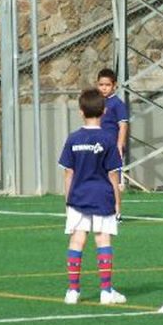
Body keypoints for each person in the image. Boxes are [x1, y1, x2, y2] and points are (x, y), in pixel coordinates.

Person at [58, 88, 126, 305]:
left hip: (78, 197)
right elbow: (113, 175)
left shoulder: (73, 138)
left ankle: (72, 291)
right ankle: (106, 291)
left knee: (77, 239)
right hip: (102, 196)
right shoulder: (107, 139)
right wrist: (117, 201)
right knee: (102, 238)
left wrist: (67, 201)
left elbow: (69, 173)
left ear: (80, 112)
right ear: (105, 111)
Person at [96, 67, 129, 161]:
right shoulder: (98, 102)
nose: (104, 88)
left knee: (112, 174)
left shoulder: (117, 103)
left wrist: (119, 146)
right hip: (98, 145)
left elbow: (123, 126)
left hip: (112, 146)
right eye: (101, 84)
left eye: (108, 85)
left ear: (114, 86)